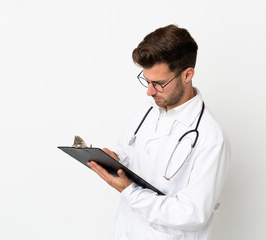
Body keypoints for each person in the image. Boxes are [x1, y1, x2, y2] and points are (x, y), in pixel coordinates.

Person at [87, 24, 230, 240]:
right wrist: (116, 161)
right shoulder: (147, 112)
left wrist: (130, 191)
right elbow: (130, 155)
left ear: (187, 75)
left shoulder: (211, 138)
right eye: (147, 80)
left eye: (159, 83)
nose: (149, 91)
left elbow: (192, 213)